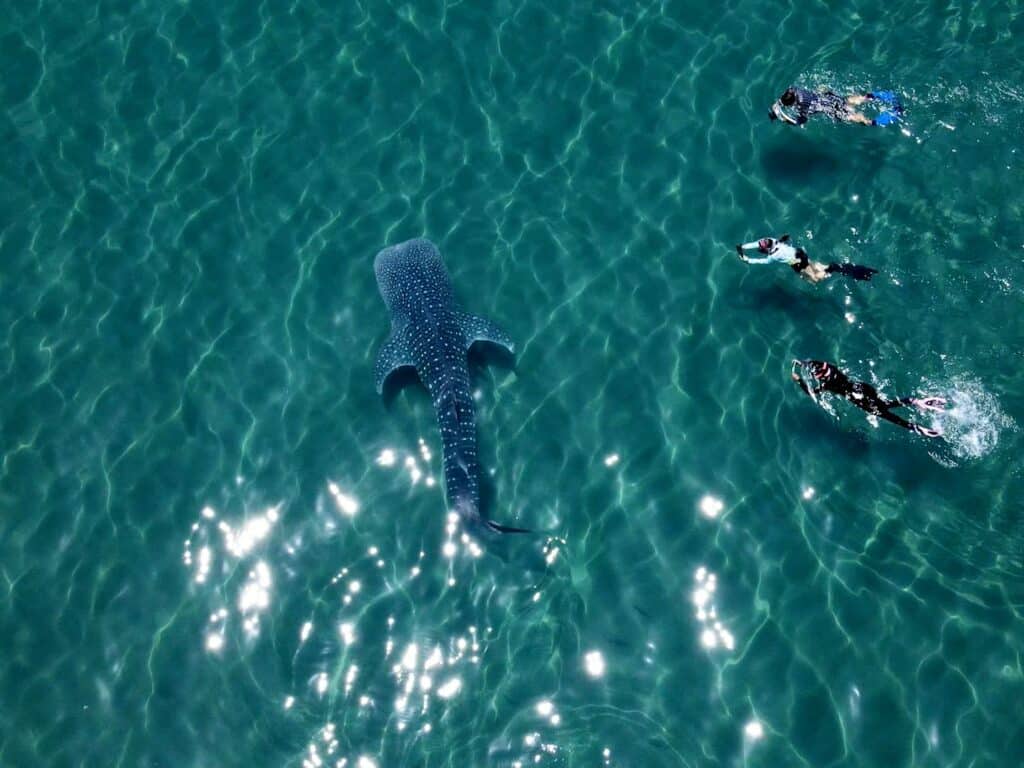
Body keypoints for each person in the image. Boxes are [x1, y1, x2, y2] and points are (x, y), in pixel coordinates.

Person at [791, 359, 945, 437]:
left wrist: (799, 380)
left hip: (857, 397)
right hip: (862, 387)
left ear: (819, 376)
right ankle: (914, 401)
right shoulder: (831, 368)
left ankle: (917, 426)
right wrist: (803, 363)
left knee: (883, 413)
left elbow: (810, 392)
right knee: (884, 404)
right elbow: (815, 363)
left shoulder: (827, 385)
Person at [736, 235, 878, 283]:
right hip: (801, 254)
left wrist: (747, 260)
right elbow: (756, 243)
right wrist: (742, 246)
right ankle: (829, 267)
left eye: (760, 247)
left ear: (766, 249)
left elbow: (762, 261)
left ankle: (832, 268)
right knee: (813, 266)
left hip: (797, 263)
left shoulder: (773, 256)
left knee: (814, 279)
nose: (759, 245)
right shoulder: (770, 240)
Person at [770, 86, 901, 127]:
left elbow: (800, 122)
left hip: (833, 111)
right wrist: (779, 104)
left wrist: (783, 119)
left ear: (793, 103)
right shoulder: (794, 90)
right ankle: (875, 96)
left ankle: (880, 120)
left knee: (858, 119)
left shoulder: (802, 108)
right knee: (853, 100)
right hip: (831, 98)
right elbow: (787, 97)